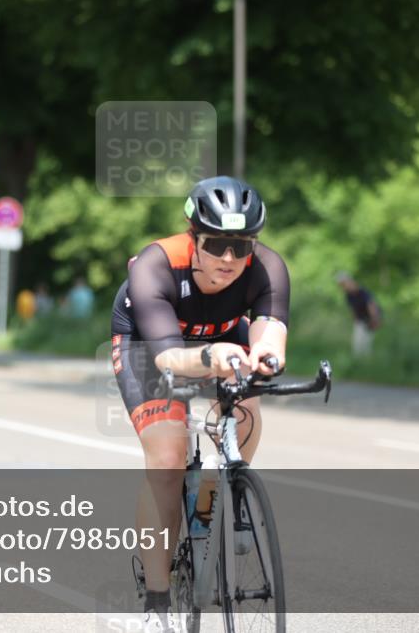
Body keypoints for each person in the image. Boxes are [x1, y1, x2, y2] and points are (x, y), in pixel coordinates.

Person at [110, 176, 289, 632]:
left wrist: (266, 354)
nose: (229, 259)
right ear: (194, 238)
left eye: (241, 246)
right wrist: (210, 358)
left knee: (246, 403)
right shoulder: (156, 265)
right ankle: (155, 601)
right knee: (168, 460)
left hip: (221, 334)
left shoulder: (267, 266)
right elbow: (169, 357)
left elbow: (270, 330)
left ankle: (228, 487)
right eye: (215, 245)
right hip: (150, 343)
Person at [335, 272, 381, 356]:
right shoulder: (348, 296)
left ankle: (366, 363)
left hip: (370, 320)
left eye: (343, 284)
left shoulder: (363, 292)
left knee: (366, 344)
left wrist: (375, 319)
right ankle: (358, 364)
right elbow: (352, 309)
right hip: (360, 320)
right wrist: (355, 320)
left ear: (349, 282)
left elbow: (371, 306)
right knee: (357, 344)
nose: (343, 287)